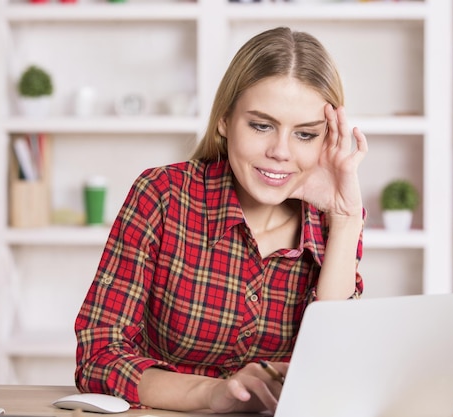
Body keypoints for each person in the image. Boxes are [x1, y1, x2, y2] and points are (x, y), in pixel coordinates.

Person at [74, 26, 368, 414]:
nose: (280, 152)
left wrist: (346, 220)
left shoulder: (333, 219)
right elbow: (99, 356)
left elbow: (333, 370)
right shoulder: (162, 195)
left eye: (305, 134)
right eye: (261, 125)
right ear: (225, 121)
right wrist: (214, 392)